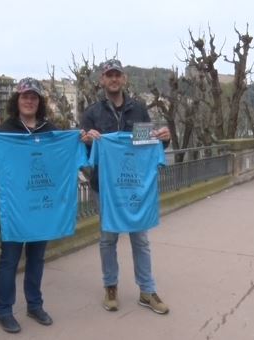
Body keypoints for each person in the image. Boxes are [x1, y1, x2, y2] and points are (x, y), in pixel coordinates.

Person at [80, 59, 171, 314]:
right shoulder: (92, 113)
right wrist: (87, 140)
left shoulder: (138, 110)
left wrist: (163, 140)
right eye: (109, 75)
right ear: (102, 80)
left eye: (117, 75)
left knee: (140, 239)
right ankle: (110, 287)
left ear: (124, 79)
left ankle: (147, 290)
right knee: (108, 238)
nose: (114, 79)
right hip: (105, 187)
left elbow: (143, 145)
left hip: (134, 188)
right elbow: (84, 150)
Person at [0, 77, 59, 334]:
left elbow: (60, 161)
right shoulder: (2, 132)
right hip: (13, 209)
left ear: (39, 101)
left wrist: (80, 141)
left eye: (34, 97)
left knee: (37, 258)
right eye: (25, 96)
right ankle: (4, 310)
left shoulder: (49, 130)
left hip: (41, 207)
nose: (29, 101)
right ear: (17, 100)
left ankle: (34, 305)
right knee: (9, 260)